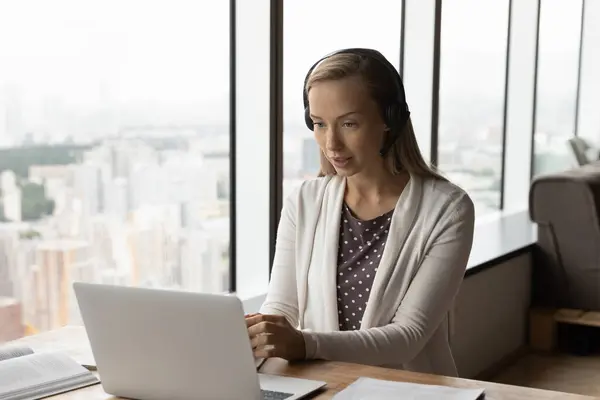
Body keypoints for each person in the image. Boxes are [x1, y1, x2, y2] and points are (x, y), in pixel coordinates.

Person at [246, 48, 475, 377]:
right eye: (319, 124)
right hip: (323, 384)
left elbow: (407, 337)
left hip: (407, 389)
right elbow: (282, 308)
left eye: (349, 123)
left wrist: (305, 344)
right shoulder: (304, 201)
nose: (331, 144)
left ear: (389, 120)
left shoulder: (447, 209)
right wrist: (260, 335)